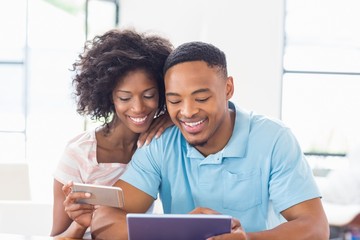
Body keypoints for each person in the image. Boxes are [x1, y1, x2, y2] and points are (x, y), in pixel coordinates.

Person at [87, 41, 329, 239]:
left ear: (228, 88)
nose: (188, 111)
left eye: (201, 98)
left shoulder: (274, 139)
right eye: (174, 101)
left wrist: (248, 239)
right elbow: (104, 219)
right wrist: (176, 229)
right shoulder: (160, 143)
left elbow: (315, 228)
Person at [50, 28, 173, 239]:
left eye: (149, 95)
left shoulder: (159, 143)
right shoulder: (79, 153)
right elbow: (56, 237)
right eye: (125, 98)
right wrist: (80, 225)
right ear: (109, 97)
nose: (138, 108)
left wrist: (174, 116)